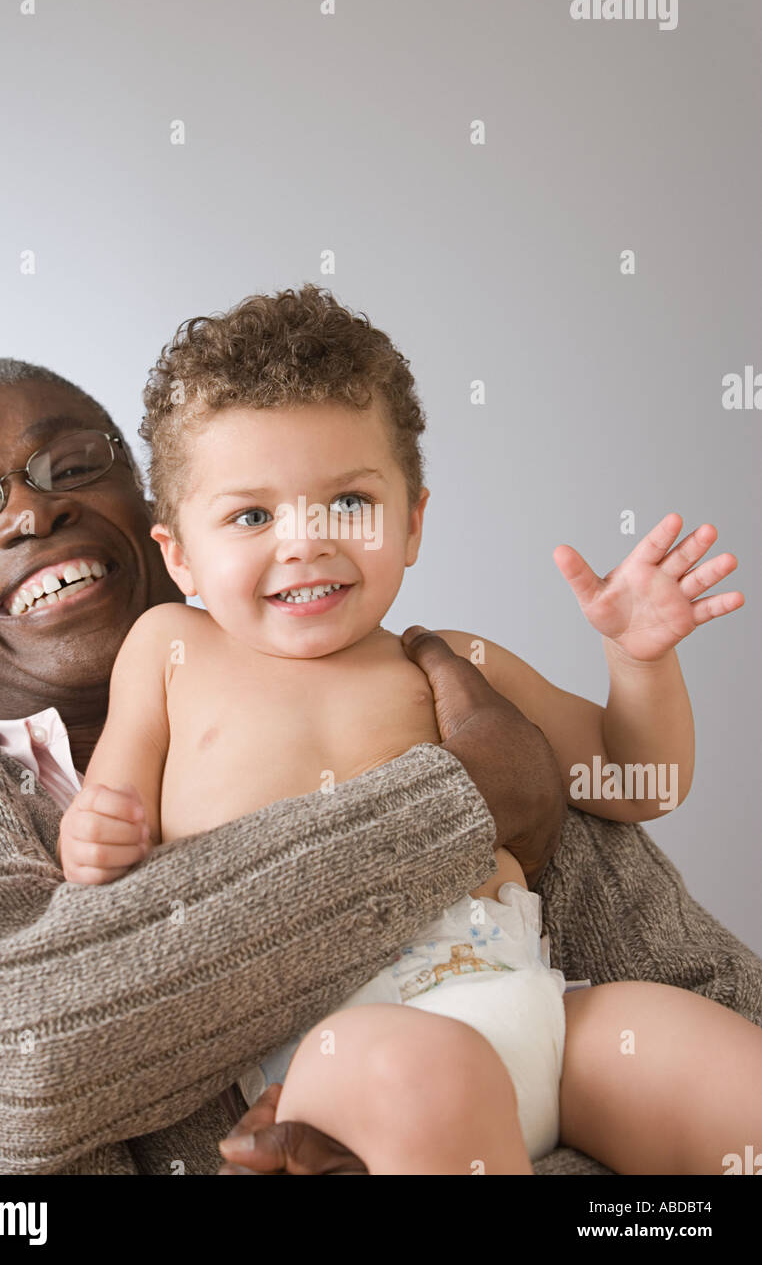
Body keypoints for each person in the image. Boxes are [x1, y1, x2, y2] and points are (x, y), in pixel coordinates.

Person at [60, 284, 762, 1175]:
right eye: (253, 515)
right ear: (180, 555)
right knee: (428, 1076)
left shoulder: (456, 661)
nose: (305, 541)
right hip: (347, 1053)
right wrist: (93, 837)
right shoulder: (169, 651)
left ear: (414, 521)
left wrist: (639, 661)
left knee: (718, 1062)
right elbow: (108, 820)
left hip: (536, 1011)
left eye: (348, 502)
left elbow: (639, 785)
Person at [0, 356, 566, 1176]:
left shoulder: (420, 689)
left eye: (72, 467)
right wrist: (450, 807)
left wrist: (444, 1149)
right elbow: (26, 1056)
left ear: (155, 519)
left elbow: (705, 1002)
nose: (33, 513)